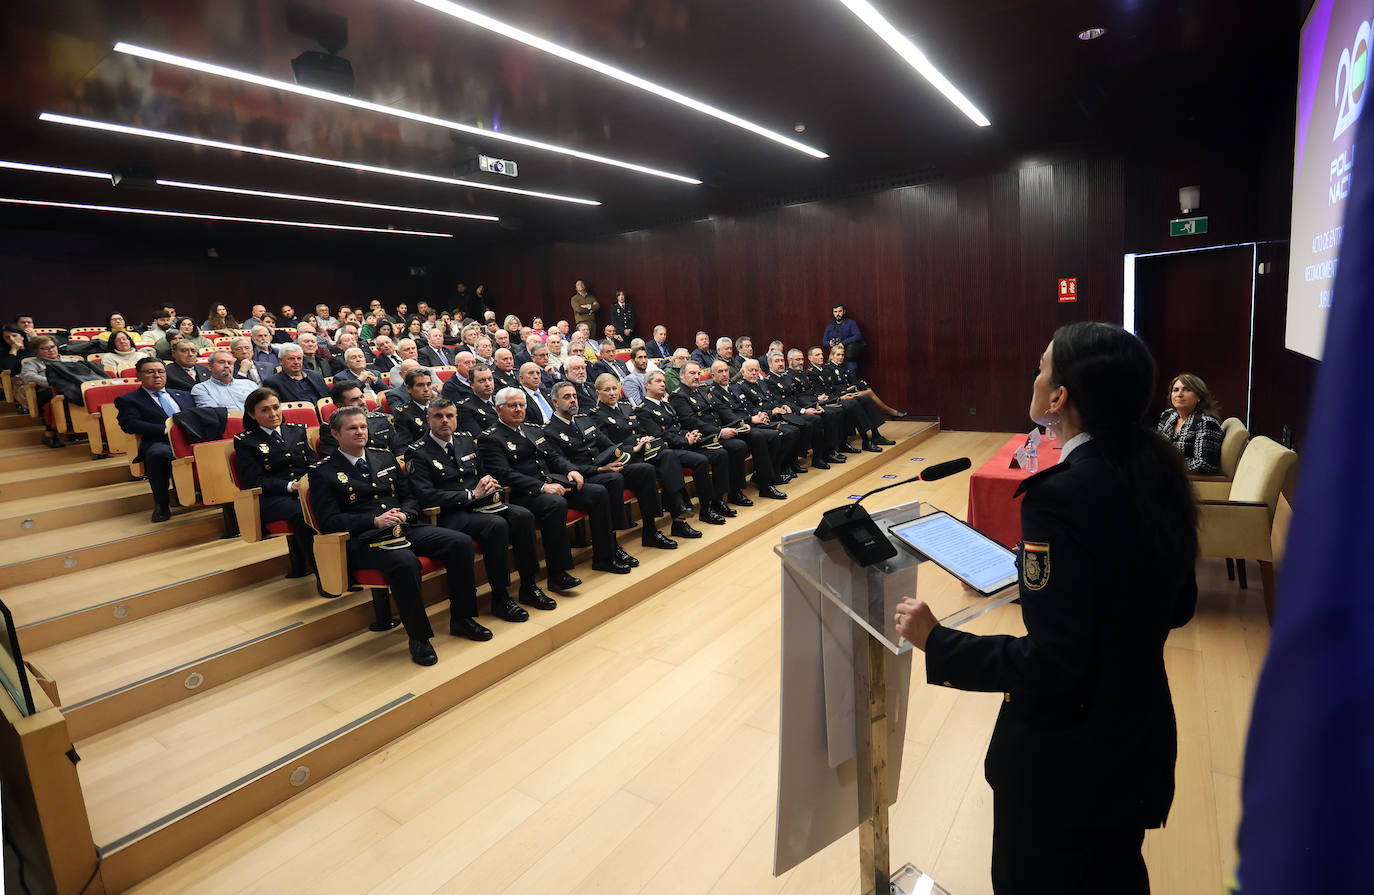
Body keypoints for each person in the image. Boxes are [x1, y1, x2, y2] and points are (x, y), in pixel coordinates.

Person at [893, 322, 1198, 894]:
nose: (1033, 377)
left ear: (1059, 398)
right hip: (1137, 734)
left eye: (1041, 368)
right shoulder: (1156, 471)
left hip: (1066, 759)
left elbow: (1056, 663)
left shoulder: (1060, 495)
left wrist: (939, 640)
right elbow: (1180, 603)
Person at [309, 406, 487, 665]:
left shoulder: (384, 457)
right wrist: (373, 520)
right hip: (365, 539)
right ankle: (419, 637)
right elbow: (327, 522)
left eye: (362, 426)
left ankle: (462, 618)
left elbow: (409, 496)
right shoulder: (322, 471)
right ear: (335, 434)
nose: (360, 432)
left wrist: (407, 513)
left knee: (459, 543)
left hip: (403, 527)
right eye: (352, 428)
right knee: (405, 562)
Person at [405, 396, 557, 621]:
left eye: (449, 416)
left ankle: (528, 585)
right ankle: (500, 596)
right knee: (496, 525)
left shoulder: (465, 440)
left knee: (523, 516)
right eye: (438, 416)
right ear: (428, 419)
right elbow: (425, 495)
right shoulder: (417, 452)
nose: (444, 421)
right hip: (450, 514)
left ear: (456, 418)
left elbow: (484, 471)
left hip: (481, 503)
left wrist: (488, 482)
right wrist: (469, 495)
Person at [477, 387, 634, 588]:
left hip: (551, 482)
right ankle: (557, 574)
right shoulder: (490, 438)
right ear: (499, 410)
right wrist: (542, 486)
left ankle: (605, 556)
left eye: (521, 405)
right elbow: (505, 474)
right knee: (555, 504)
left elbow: (553, 456)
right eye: (512, 406)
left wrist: (570, 470)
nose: (518, 409)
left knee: (598, 492)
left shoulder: (532, 429)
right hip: (522, 493)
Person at [543, 380, 677, 551]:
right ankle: (612, 543)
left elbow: (608, 445)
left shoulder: (584, 420)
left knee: (645, 470)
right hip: (585, 475)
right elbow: (563, 465)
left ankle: (651, 531)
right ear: (555, 402)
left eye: (575, 396)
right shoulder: (549, 430)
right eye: (567, 397)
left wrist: (626, 453)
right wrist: (599, 469)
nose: (573, 400)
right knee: (613, 479)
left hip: (604, 467)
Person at [234, 387, 319, 582]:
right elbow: (253, 481)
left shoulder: (297, 430)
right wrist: (290, 486)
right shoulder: (246, 441)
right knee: (302, 512)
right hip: (272, 497)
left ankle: (344, 563)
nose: (273, 414)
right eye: (265, 410)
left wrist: (309, 481)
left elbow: (314, 463)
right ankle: (321, 571)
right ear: (252, 414)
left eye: (275, 407)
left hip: (305, 489)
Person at [670, 360, 780, 502]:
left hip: (720, 429)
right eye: (692, 373)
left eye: (698, 373)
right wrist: (720, 431)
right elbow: (692, 422)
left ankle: (765, 484)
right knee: (738, 446)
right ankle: (734, 492)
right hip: (705, 437)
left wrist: (742, 423)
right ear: (682, 375)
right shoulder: (678, 396)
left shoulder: (703, 389)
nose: (696, 376)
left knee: (755, 435)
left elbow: (722, 410)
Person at [633, 370, 733, 525]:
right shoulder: (642, 409)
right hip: (667, 450)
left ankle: (718, 500)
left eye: (664, 382)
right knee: (700, 461)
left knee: (719, 453)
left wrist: (689, 434)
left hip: (681, 443)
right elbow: (659, 435)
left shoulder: (665, 405)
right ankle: (706, 509)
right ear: (647, 385)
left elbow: (677, 426)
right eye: (658, 381)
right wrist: (685, 440)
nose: (662, 384)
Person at [114, 357, 196, 522]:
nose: (157, 376)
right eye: (150, 372)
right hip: (160, 440)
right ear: (139, 376)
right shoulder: (129, 399)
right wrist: (166, 430)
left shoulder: (184, 395)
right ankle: (162, 503)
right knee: (157, 454)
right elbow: (129, 424)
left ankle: (211, 494)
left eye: (160, 372)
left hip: (189, 439)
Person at [1156, 373, 1223, 474]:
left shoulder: (1206, 423)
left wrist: (1167, 466)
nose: (1179, 394)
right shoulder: (1168, 416)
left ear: (1199, 396)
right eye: (1176, 390)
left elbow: (1204, 464)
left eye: (1187, 390)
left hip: (1185, 481)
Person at [319, 381, 402, 454]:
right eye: (354, 400)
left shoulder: (380, 420)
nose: (362, 402)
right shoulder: (331, 428)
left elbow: (399, 450)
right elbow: (334, 460)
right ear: (341, 406)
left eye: (362, 397)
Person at [18, 335, 65, 447]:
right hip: (44, 392)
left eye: (52, 346)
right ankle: (50, 433)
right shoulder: (31, 364)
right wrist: (54, 383)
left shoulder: (71, 360)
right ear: (36, 351)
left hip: (69, 390)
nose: (51, 350)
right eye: (45, 348)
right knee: (56, 396)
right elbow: (28, 376)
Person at [263, 344, 330, 404]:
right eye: (291, 359)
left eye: (299, 358)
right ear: (280, 361)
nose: (296, 362)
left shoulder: (316, 376)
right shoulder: (273, 382)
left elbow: (328, 399)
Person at [191, 350, 258, 409]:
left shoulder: (250, 384)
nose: (226, 366)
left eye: (230, 363)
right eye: (221, 362)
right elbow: (213, 415)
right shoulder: (202, 389)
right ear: (210, 366)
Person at [389, 367, 435, 445]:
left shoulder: (439, 408)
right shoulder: (403, 413)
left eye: (428, 384)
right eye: (420, 385)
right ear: (408, 389)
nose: (426, 389)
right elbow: (405, 445)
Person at [455, 362, 500, 436]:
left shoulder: (500, 400)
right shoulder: (465, 408)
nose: (488, 384)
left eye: (490, 379)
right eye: (482, 381)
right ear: (471, 384)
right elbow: (478, 437)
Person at [822, 304, 864, 372]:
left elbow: (857, 336)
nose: (837, 314)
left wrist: (843, 343)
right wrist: (829, 343)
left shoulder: (851, 323)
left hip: (848, 357)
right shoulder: (830, 326)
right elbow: (824, 341)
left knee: (851, 380)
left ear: (844, 312)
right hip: (835, 358)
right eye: (835, 312)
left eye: (839, 311)